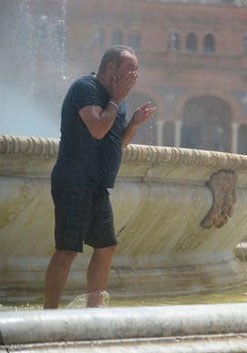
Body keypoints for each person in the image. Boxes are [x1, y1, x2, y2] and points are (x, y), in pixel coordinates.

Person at [44, 45, 157, 309]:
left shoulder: (117, 99)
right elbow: (96, 128)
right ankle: (49, 313)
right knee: (67, 249)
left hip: (97, 185)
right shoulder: (86, 88)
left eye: (136, 69)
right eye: (130, 68)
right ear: (110, 67)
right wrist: (116, 100)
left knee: (106, 246)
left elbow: (117, 143)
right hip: (73, 180)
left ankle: (93, 311)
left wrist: (134, 124)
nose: (135, 74)